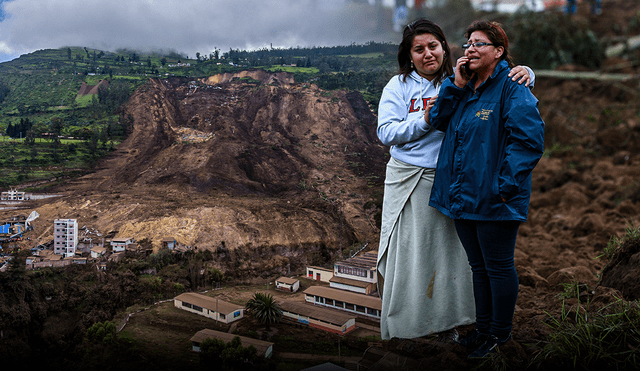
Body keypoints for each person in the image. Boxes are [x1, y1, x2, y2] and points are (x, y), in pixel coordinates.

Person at [375, 18, 534, 341]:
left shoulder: (467, 78)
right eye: (418, 49)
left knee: (457, 260)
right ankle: (411, 324)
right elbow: (387, 132)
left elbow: (519, 120)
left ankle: (464, 324)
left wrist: (528, 73)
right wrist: (423, 118)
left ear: (444, 48)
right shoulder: (405, 86)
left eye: (433, 46)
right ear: (409, 56)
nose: (427, 54)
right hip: (417, 182)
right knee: (414, 255)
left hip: (461, 183)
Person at [426, 20, 545, 358]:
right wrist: (457, 84)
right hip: (463, 197)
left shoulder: (512, 86)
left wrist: (503, 188)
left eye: (479, 43)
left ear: (498, 51)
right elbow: (437, 120)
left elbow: (528, 141)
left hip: (494, 199)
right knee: (478, 267)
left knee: (498, 267)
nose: (470, 49)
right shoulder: (465, 87)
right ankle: (482, 330)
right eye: (467, 44)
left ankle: (499, 336)